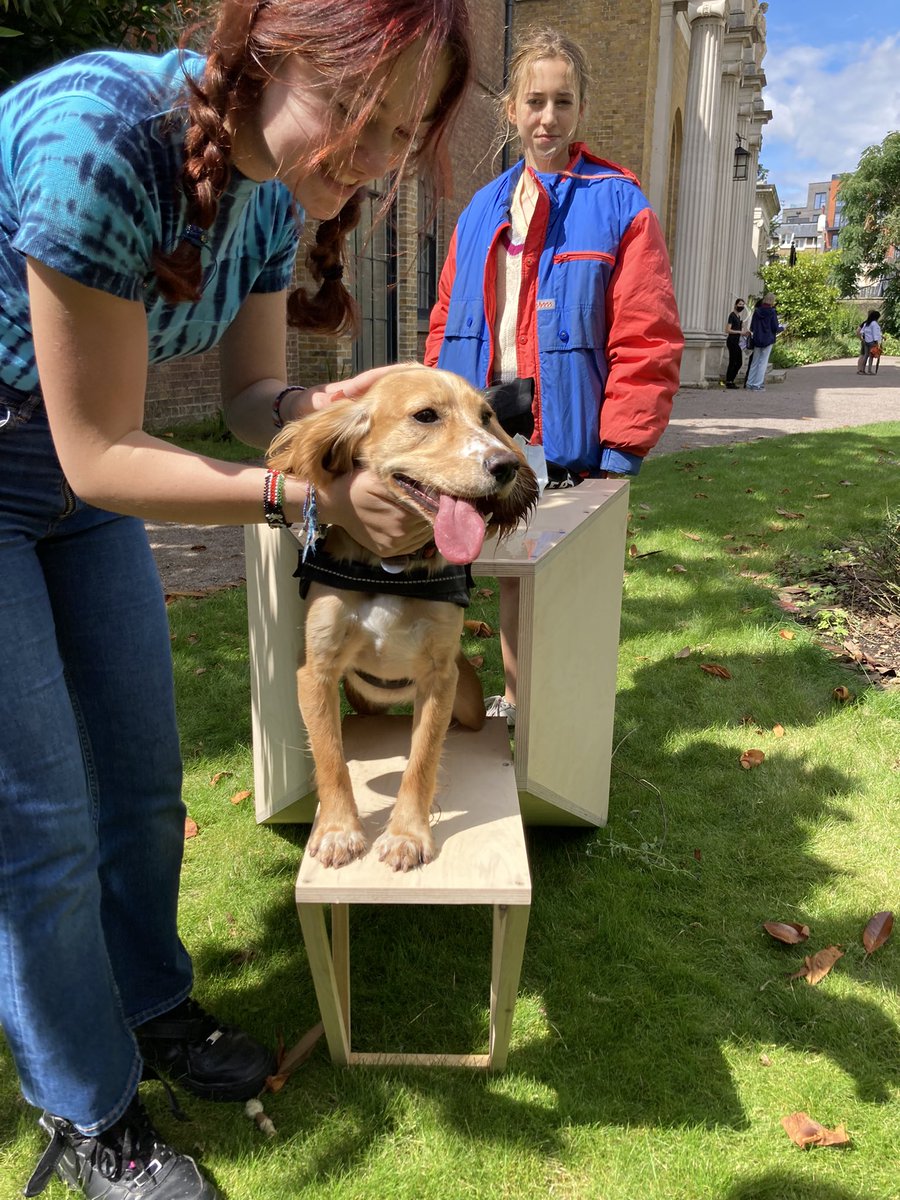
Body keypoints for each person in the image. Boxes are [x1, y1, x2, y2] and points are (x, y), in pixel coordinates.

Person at [0, 2, 472, 1196]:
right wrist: (308, 503)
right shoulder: (104, 137)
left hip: (75, 467)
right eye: (360, 118)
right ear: (270, 51)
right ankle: (88, 1108)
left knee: (142, 779)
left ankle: (150, 1002)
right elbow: (100, 452)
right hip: (59, 459)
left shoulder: (267, 189)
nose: (373, 160)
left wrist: (336, 434)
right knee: (42, 825)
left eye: (401, 136)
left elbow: (254, 394)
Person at [424, 25, 682, 724]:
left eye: (562, 102)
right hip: (479, 430)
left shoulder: (620, 205)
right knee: (458, 562)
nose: (547, 118)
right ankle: (470, 706)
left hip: (563, 431)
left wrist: (618, 450)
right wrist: (424, 424)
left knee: (540, 581)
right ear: (510, 109)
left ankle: (537, 717)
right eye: (534, 101)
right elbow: (446, 321)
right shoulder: (480, 211)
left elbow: (647, 335)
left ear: (580, 112)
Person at [745, 291, 784, 391]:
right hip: (768, 339)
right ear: (772, 301)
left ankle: (750, 383)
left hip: (757, 339)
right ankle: (757, 385)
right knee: (763, 362)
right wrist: (782, 328)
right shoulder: (772, 312)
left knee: (755, 361)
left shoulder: (757, 311)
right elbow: (775, 327)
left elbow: (752, 327)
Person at [724, 298, 747, 389]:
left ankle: (731, 380)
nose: (741, 306)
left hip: (737, 341)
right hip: (732, 341)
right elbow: (727, 330)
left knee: (739, 362)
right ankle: (729, 381)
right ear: (736, 305)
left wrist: (742, 330)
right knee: (733, 361)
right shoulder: (732, 315)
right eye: (740, 304)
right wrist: (739, 332)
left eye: (743, 305)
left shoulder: (738, 317)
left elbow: (739, 330)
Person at [857, 309, 882, 374]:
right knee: (871, 356)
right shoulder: (874, 324)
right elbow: (875, 333)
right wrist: (876, 342)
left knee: (865, 355)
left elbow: (862, 331)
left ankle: (862, 370)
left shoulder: (866, 323)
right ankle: (869, 370)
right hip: (872, 342)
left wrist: (864, 338)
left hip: (866, 341)